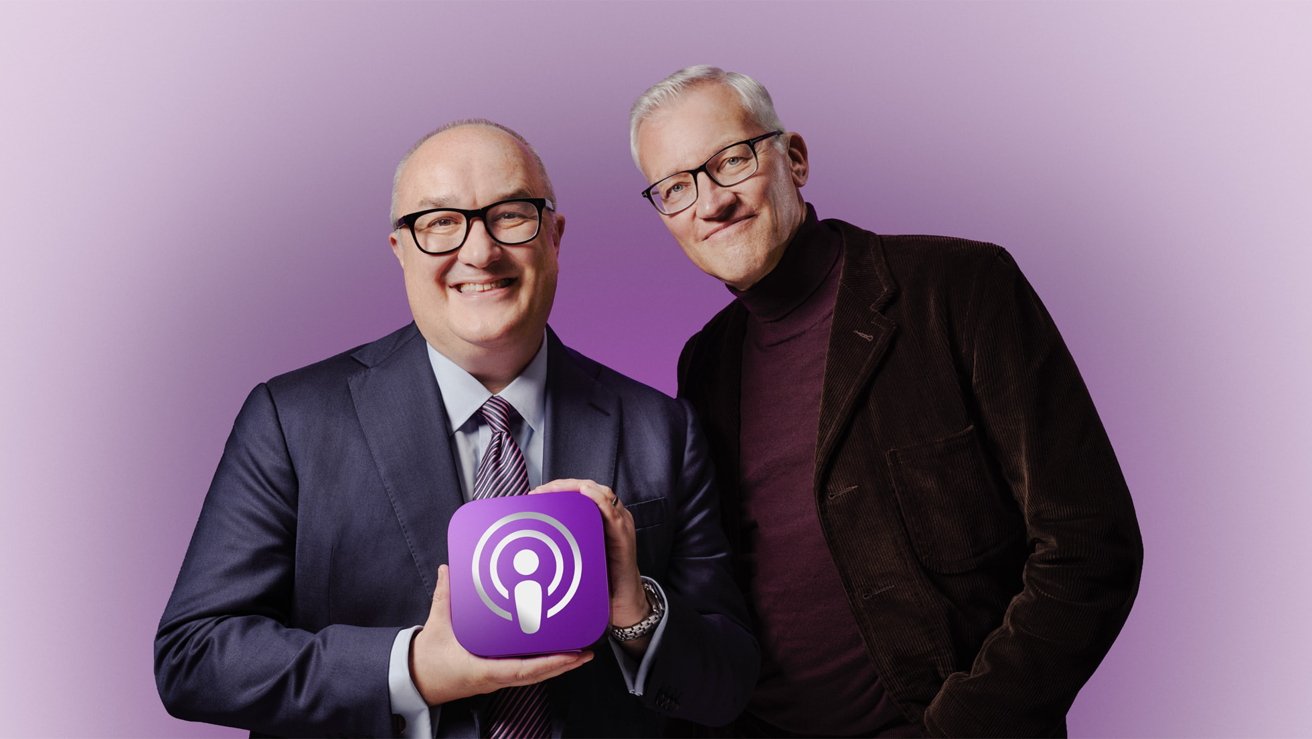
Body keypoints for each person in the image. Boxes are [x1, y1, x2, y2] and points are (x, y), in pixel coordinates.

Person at [155, 119, 758, 737]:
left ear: (555, 236)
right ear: (400, 249)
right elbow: (193, 656)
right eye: (440, 221)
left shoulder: (663, 429)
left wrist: (638, 613)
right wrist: (414, 669)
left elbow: (728, 684)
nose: (479, 251)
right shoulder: (291, 420)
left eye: (511, 215)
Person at [629, 66, 1143, 737]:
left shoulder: (960, 288)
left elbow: (1089, 544)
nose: (711, 202)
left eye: (731, 160)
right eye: (675, 187)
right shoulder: (705, 362)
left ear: (794, 158)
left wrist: (964, 725)